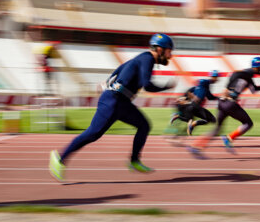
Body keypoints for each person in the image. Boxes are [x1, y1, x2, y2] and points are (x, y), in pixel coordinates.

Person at [49, 33, 175, 182]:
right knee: (93, 134)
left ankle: (134, 161)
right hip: (113, 101)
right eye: (169, 51)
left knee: (144, 125)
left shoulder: (141, 58)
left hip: (121, 102)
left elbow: (119, 69)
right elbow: (147, 85)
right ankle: (59, 159)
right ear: (160, 49)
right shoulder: (147, 59)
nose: (170, 55)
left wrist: (107, 83)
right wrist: (166, 86)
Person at [187, 57, 260, 159]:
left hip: (221, 102)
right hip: (230, 104)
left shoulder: (239, 74)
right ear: (257, 67)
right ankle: (229, 138)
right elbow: (254, 90)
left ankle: (195, 146)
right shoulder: (247, 77)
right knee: (248, 124)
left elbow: (251, 89)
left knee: (217, 129)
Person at [169, 70, 219, 137]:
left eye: (216, 77)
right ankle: (192, 124)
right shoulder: (205, 83)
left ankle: (178, 117)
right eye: (215, 77)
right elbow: (202, 81)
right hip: (195, 106)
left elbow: (210, 97)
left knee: (191, 119)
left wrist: (219, 98)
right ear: (212, 77)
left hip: (193, 106)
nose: (216, 79)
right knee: (211, 119)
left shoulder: (203, 88)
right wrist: (186, 98)